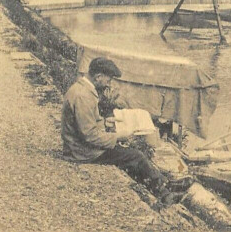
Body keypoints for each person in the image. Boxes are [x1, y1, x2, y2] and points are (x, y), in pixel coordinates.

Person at [61, 57, 181, 205]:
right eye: (108, 80)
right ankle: (164, 193)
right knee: (135, 156)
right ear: (98, 77)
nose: (108, 84)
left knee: (130, 155)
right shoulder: (83, 96)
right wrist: (118, 136)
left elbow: (85, 123)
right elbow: (89, 136)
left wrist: (105, 122)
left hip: (79, 146)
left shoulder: (81, 89)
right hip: (82, 152)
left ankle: (164, 185)